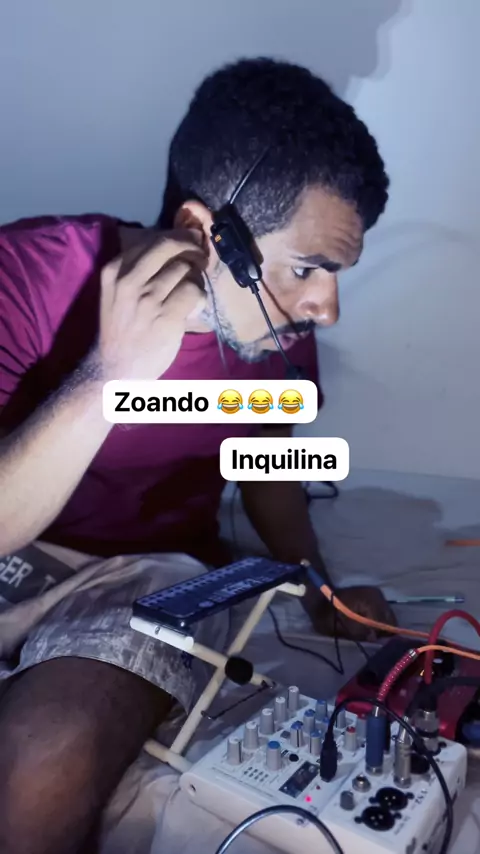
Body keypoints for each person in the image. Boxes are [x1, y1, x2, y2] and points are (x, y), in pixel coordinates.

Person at [0, 57, 396, 853]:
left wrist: (317, 586)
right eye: (307, 268)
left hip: (139, 574)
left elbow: (266, 471)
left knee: (44, 766)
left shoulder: (276, 336)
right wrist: (109, 376)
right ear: (201, 232)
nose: (326, 309)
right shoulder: (28, 279)